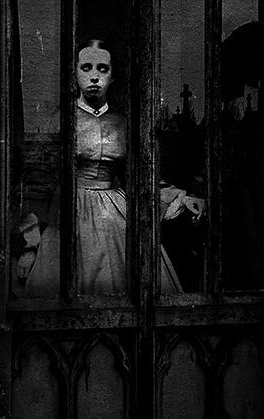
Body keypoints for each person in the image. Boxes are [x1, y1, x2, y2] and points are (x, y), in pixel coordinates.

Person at [18, 39, 183, 296]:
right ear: (75, 74)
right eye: (86, 68)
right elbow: (38, 183)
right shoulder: (60, 121)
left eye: (102, 69)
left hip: (117, 213)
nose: (94, 76)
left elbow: (140, 177)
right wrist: (30, 246)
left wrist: (178, 197)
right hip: (70, 213)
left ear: (112, 76)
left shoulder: (122, 124)